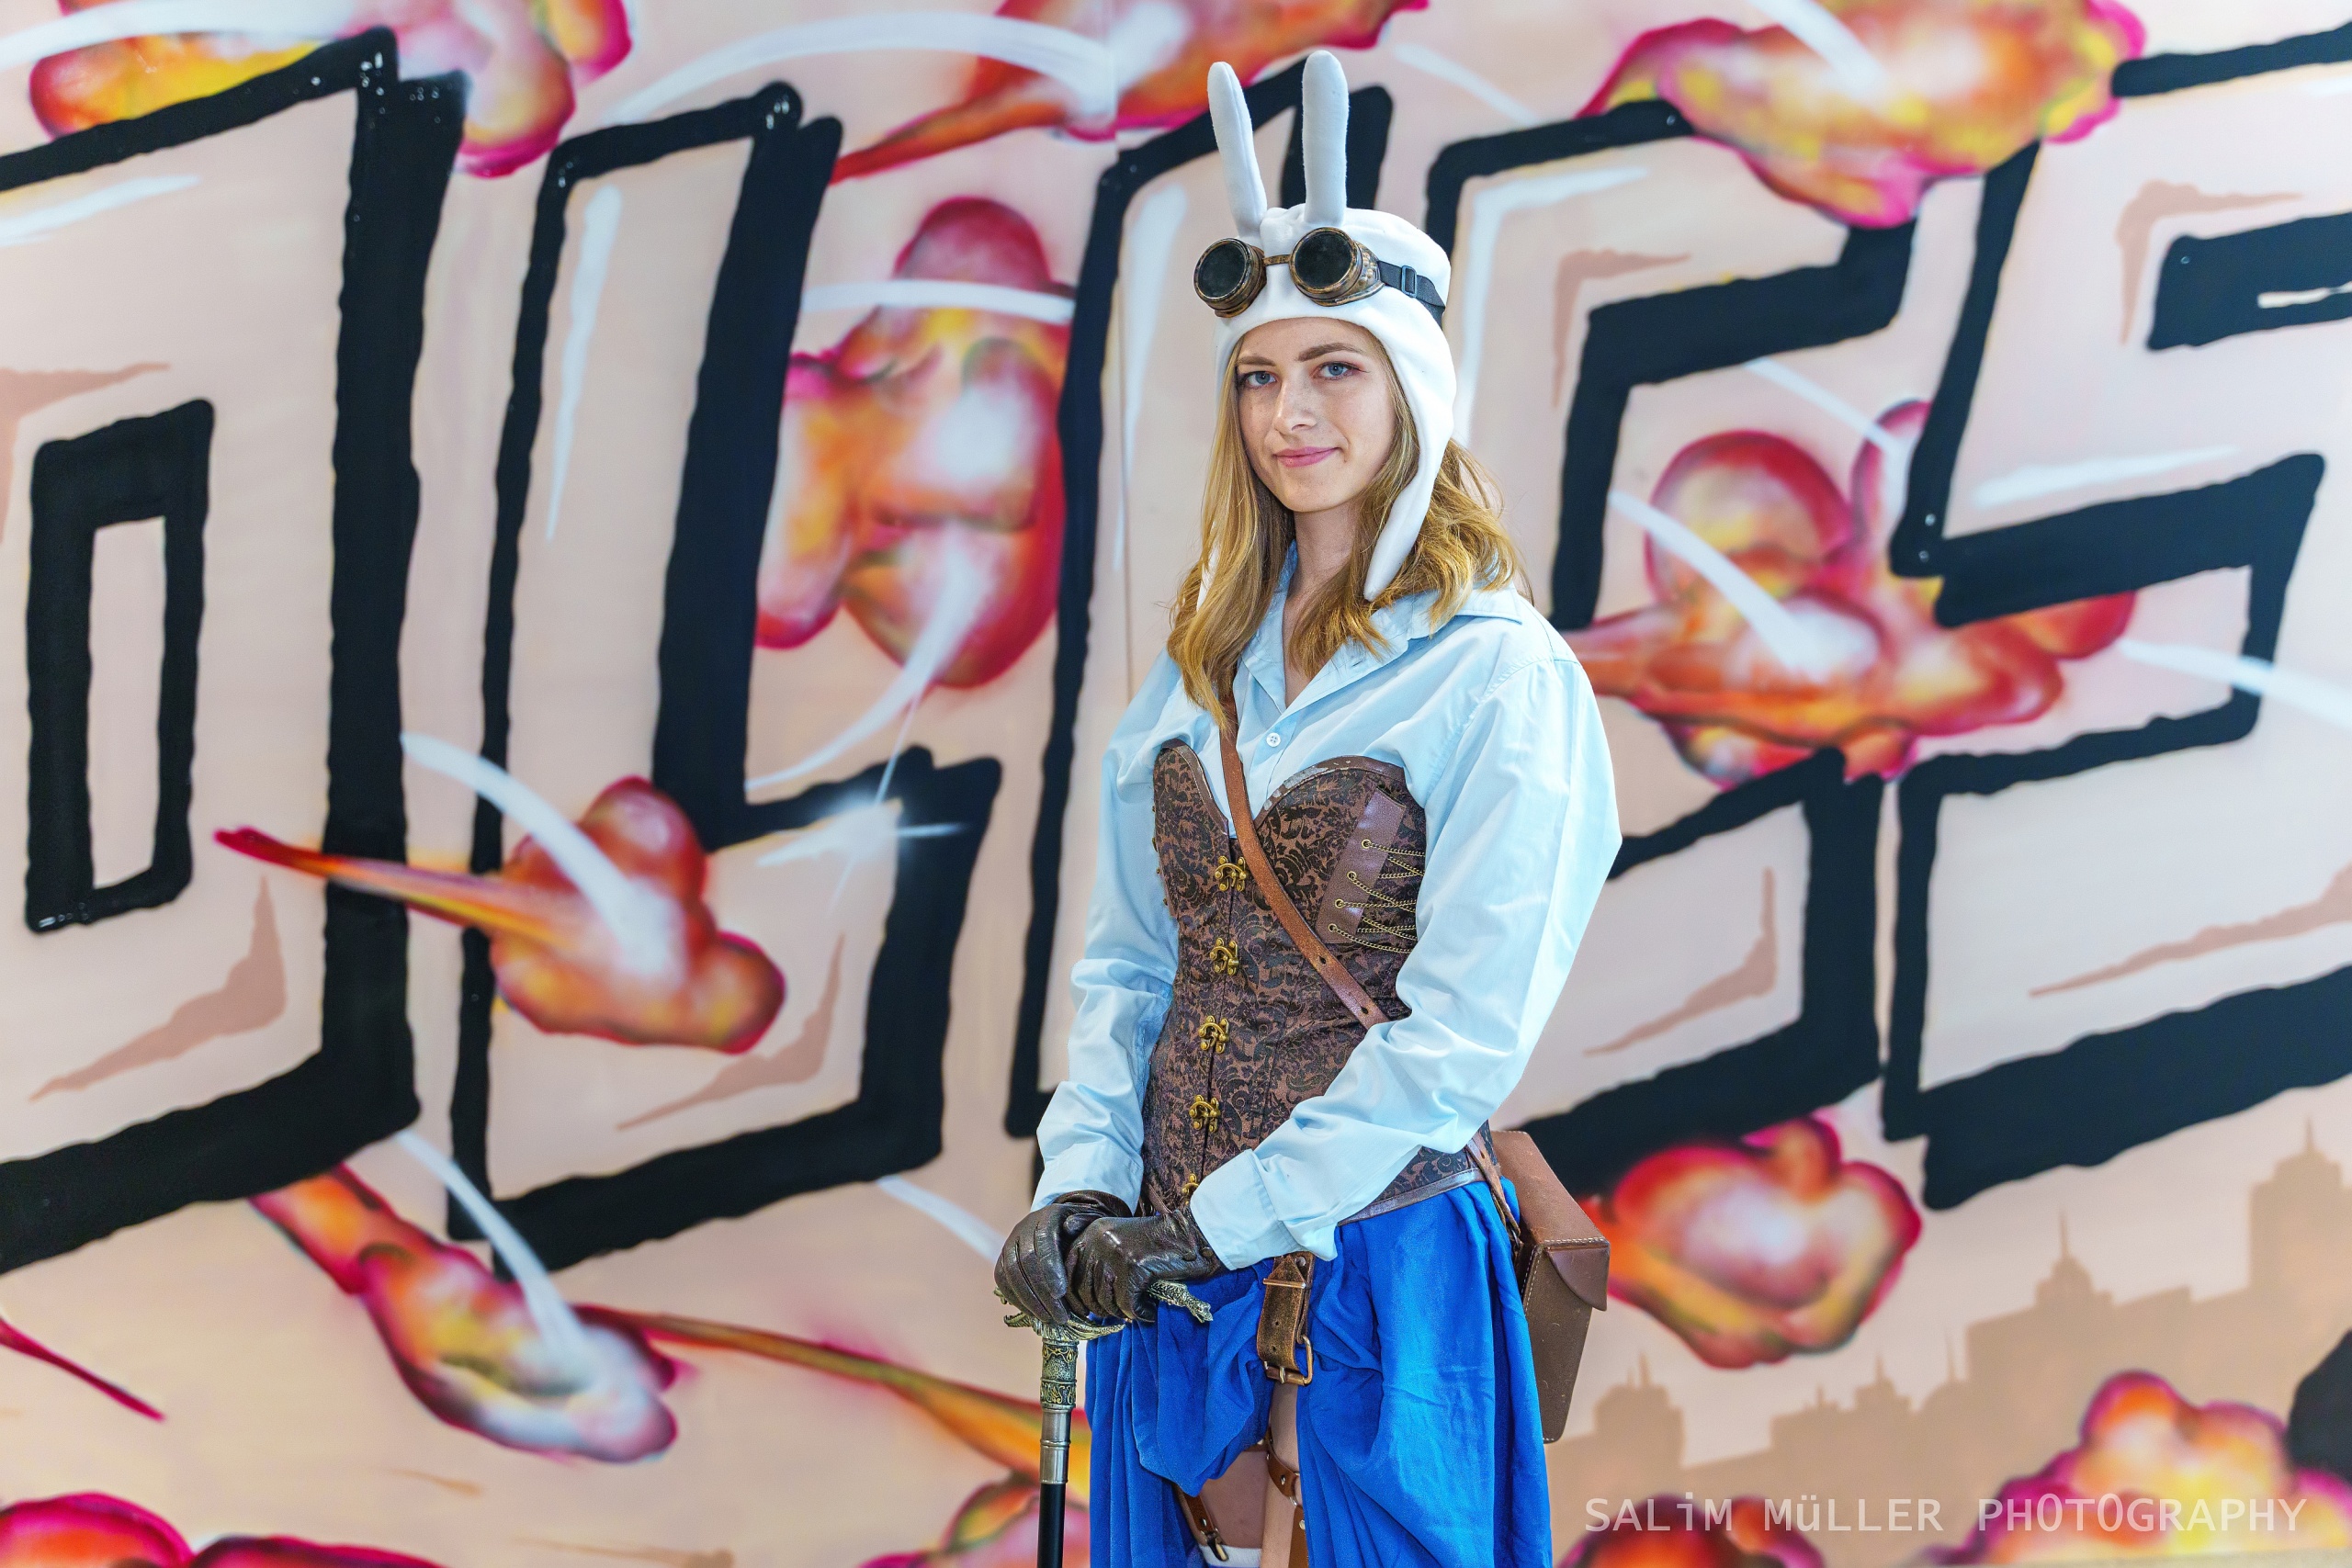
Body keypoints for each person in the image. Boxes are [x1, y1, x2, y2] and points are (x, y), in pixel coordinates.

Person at [994, 50, 1620, 1567]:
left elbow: (1461, 1038)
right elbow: (1128, 965)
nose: (1290, 412)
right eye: (1259, 376)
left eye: (1335, 367)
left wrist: (1221, 1219)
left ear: (1411, 384)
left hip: (1377, 1277)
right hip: (1162, 1274)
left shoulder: (1499, 673)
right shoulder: (1197, 669)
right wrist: (1082, 1183)